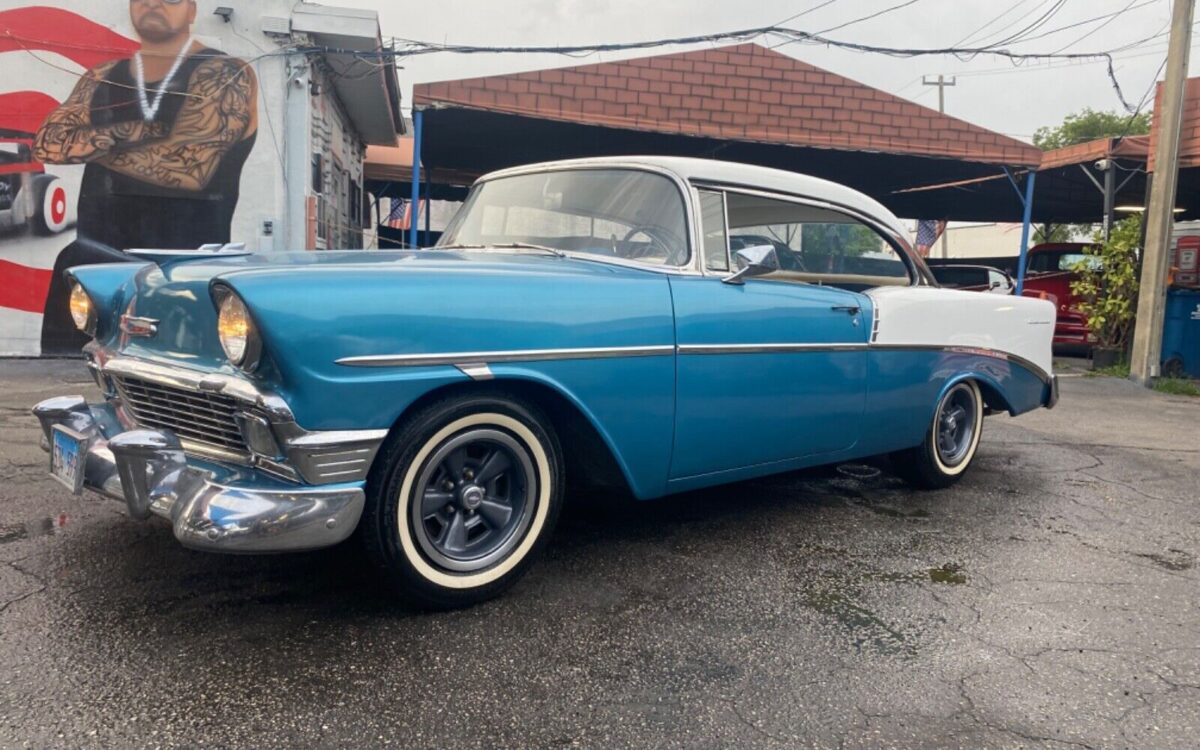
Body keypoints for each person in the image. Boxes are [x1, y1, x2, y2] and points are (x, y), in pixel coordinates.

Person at [33, 0, 258, 352]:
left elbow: (187, 167)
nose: (153, 3)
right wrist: (141, 131)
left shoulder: (223, 71)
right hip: (97, 276)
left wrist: (92, 145)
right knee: (70, 384)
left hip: (187, 275)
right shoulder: (102, 74)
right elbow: (47, 145)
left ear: (192, 10)